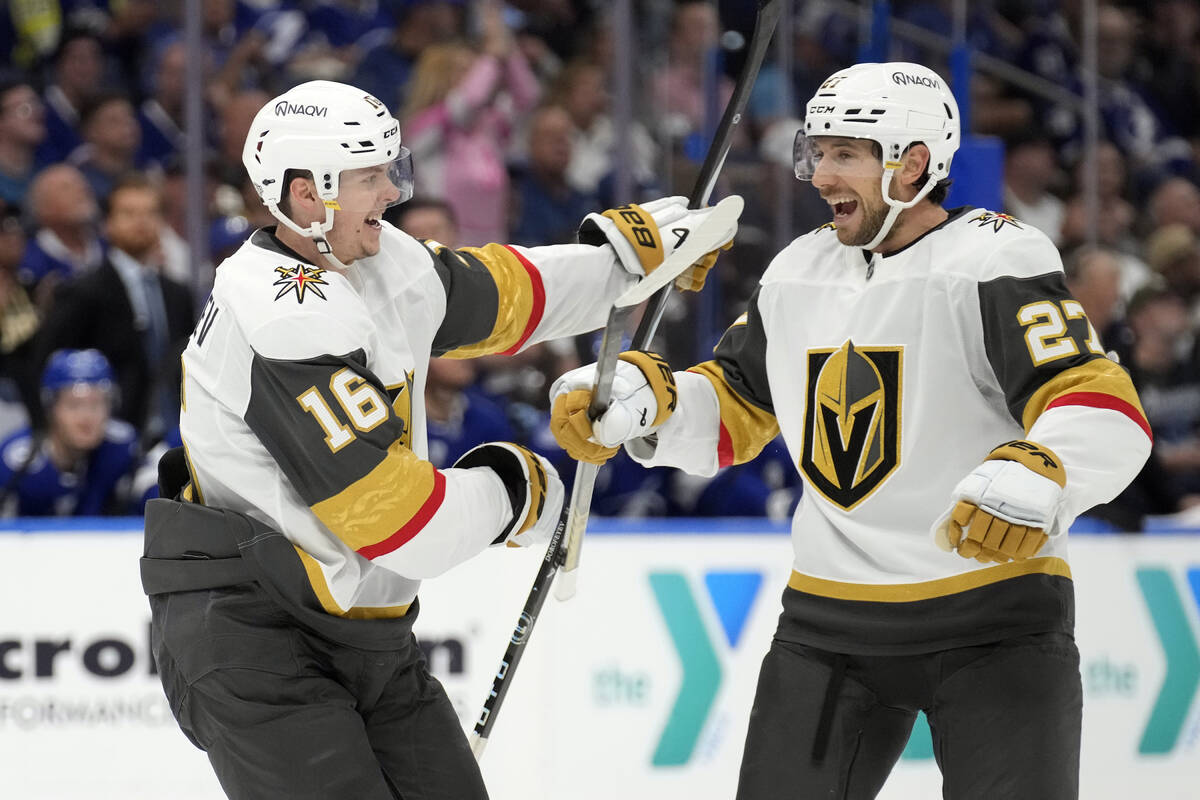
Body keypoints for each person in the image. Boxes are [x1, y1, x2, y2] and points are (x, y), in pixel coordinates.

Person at [549, 62, 1152, 799]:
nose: (818, 174)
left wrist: (1046, 464)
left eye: (845, 154)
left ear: (915, 163)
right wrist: (654, 402)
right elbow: (738, 409)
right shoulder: (797, 268)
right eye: (817, 151)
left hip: (994, 621)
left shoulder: (995, 257)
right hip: (828, 626)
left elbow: (1097, 398)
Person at [140, 79, 738, 800]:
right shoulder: (279, 319)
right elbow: (399, 522)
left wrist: (627, 264)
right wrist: (515, 488)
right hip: (255, 635)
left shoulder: (371, 254)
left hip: (364, 629)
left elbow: (509, 295)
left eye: (392, 169)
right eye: (370, 177)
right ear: (305, 195)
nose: (391, 191)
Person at [37, 172, 195, 443]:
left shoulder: (178, 294)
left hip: (178, 436)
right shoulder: (82, 293)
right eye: (129, 213)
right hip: (104, 439)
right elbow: (45, 366)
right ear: (107, 223)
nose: (141, 222)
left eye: (150, 213)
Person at [0, 349, 138, 516]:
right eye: (73, 405)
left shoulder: (122, 447)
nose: (86, 418)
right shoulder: (17, 462)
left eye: (96, 405)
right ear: (51, 409)